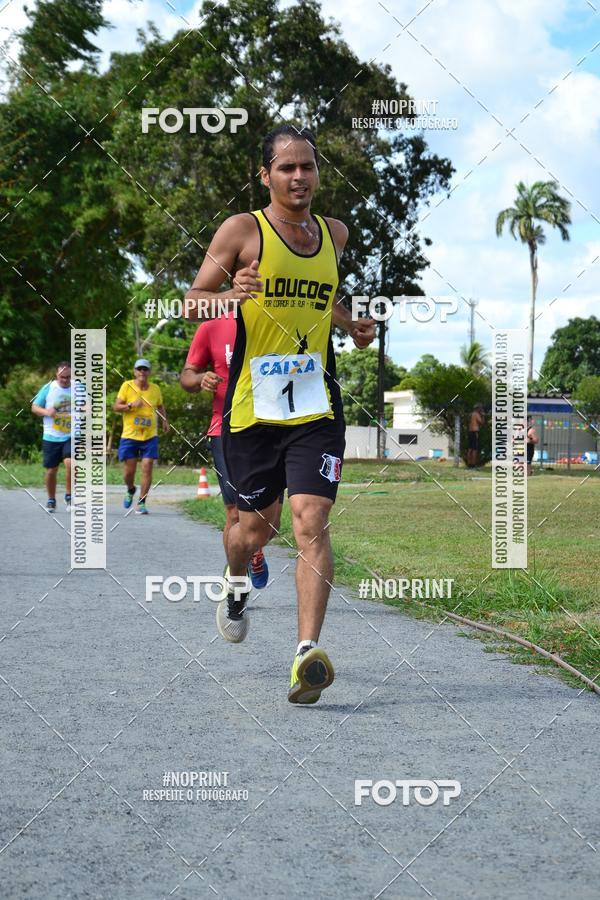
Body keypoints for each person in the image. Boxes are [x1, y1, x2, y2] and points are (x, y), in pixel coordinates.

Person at [184, 124, 375, 704]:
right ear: (266, 175)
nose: (299, 176)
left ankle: (305, 655)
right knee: (252, 530)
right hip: (253, 406)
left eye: (308, 166)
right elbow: (193, 299)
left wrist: (351, 325)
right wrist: (230, 296)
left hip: (315, 401)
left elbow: (322, 297)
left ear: (318, 173)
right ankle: (236, 582)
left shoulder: (334, 234)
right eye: (287, 168)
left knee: (310, 521)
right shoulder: (243, 229)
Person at [180, 312, 283, 589]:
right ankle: (236, 582)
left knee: (270, 525)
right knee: (235, 514)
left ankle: (254, 548)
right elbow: (186, 376)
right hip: (226, 429)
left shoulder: (277, 319)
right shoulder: (212, 327)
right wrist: (200, 378)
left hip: (273, 428)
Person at [113, 359, 169, 515]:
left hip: (150, 436)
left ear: (149, 372)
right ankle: (131, 489)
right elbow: (116, 407)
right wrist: (130, 406)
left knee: (147, 466)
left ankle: (142, 502)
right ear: (134, 371)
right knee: (128, 472)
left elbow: (160, 405)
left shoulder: (155, 389)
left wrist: (165, 420)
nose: (142, 372)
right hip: (130, 435)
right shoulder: (127, 386)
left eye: (145, 369)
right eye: (139, 369)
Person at [31, 362, 73, 512]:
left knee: (71, 464)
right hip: (51, 436)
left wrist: (85, 409)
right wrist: (46, 412)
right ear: (57, 375)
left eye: (68, 377)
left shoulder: (78, 388)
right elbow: (34, 407)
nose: (65, 380)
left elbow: (88, 405)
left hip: (71, 435)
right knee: (51, 470)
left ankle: (69, 497)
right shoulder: (48, 388)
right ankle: (51, 499)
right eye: (62, 377)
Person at [467, 403, 486, 467]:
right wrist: (483, 416)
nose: (481, 410)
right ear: (478, 409)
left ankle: (469, 464)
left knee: (470, 449)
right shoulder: (476, 414)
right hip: (475, 432)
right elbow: (482, 422)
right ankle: (473, 464)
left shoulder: (471, 414)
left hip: (470, 432)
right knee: (474, 449)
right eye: (480, 408)